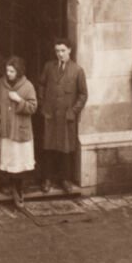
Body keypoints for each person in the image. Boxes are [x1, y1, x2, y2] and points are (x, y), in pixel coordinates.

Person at [38, 39, 88, 194]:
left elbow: (83, 94)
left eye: (63, 50)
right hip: (50, 115)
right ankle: (47, 179)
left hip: (66, 117)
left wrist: (73, 111)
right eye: (57, 51)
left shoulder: (77, 70)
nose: (60, 54)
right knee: (48, 148)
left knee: (66, 149)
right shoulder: (49, 67)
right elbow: (41, 85)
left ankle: (65, 179)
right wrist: (43, 105)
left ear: (69, 50)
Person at [0, 55, 38, 208]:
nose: (9, 74)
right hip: (6, 129)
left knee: (20, 162)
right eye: (7, 70)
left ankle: (19, 188)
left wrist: (19, 100)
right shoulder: (0, 84)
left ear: (18, 72)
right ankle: (10, 186)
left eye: (12, 71)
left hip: (20, 131)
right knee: (8, 160)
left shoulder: (28, 86)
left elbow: (33, 107)